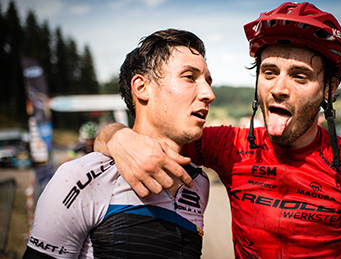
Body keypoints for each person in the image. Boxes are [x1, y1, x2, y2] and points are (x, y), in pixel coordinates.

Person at [95, 2, 341, 258]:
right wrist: (119, 138)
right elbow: (141, 134)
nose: (278, 89)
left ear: (329, 89)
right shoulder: (230, 145)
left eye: (300, 76)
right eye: (269, 73)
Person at [23, 28, 215, 258]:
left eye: (208, 81)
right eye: (189, 77)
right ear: (141, 88)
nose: (209, 93)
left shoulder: (199, 182)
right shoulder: (81, 176)